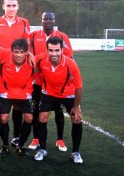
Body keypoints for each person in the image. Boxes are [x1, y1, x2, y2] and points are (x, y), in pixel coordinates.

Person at [0, 0, 31, 147]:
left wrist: (30, 55)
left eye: (14, 6)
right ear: (3, 6)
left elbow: (27, 43)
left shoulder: (24, 22)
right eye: (8, 5)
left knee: (19, 105)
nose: (11, 8)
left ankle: (16, 137)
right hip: (1, 67)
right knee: (0, 108)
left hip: (19, 65)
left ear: (18, 6)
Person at [28, 11, 74, 151]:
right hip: (37, 81)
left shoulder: (62, 37)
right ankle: (36, 139)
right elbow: (29, 56)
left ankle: (60, 139)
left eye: (50, 19)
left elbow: (69, 57)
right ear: (41, 21)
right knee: (36, 111)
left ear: (54, 21)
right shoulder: (33, 36)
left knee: (59, 112)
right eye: (45, 19)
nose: (47, 21)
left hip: (56, 82)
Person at [34, 36, 83, 164]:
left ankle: (76, 152)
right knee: (42, 118)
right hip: (49, 93)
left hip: (68, 94)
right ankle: (43, 150)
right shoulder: (40, 59)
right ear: (47, 50)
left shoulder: (70, 64)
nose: (54, 53)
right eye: (51, 50)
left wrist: (76, 106)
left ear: (62, 50)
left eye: (57, 50)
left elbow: (79, 87)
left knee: (76, 119)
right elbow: (32, 62)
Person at [0, 38, 35, 157]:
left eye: (22, 52)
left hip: (24, 92)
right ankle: (5, 146)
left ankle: (21, 145)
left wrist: (31, 55)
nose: (19, 55)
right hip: (6, 92)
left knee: (29, 117)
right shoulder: (3, 59)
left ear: (26, 52)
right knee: (3, 118)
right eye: (16, 52)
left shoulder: (32, 62)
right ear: (12, 52)